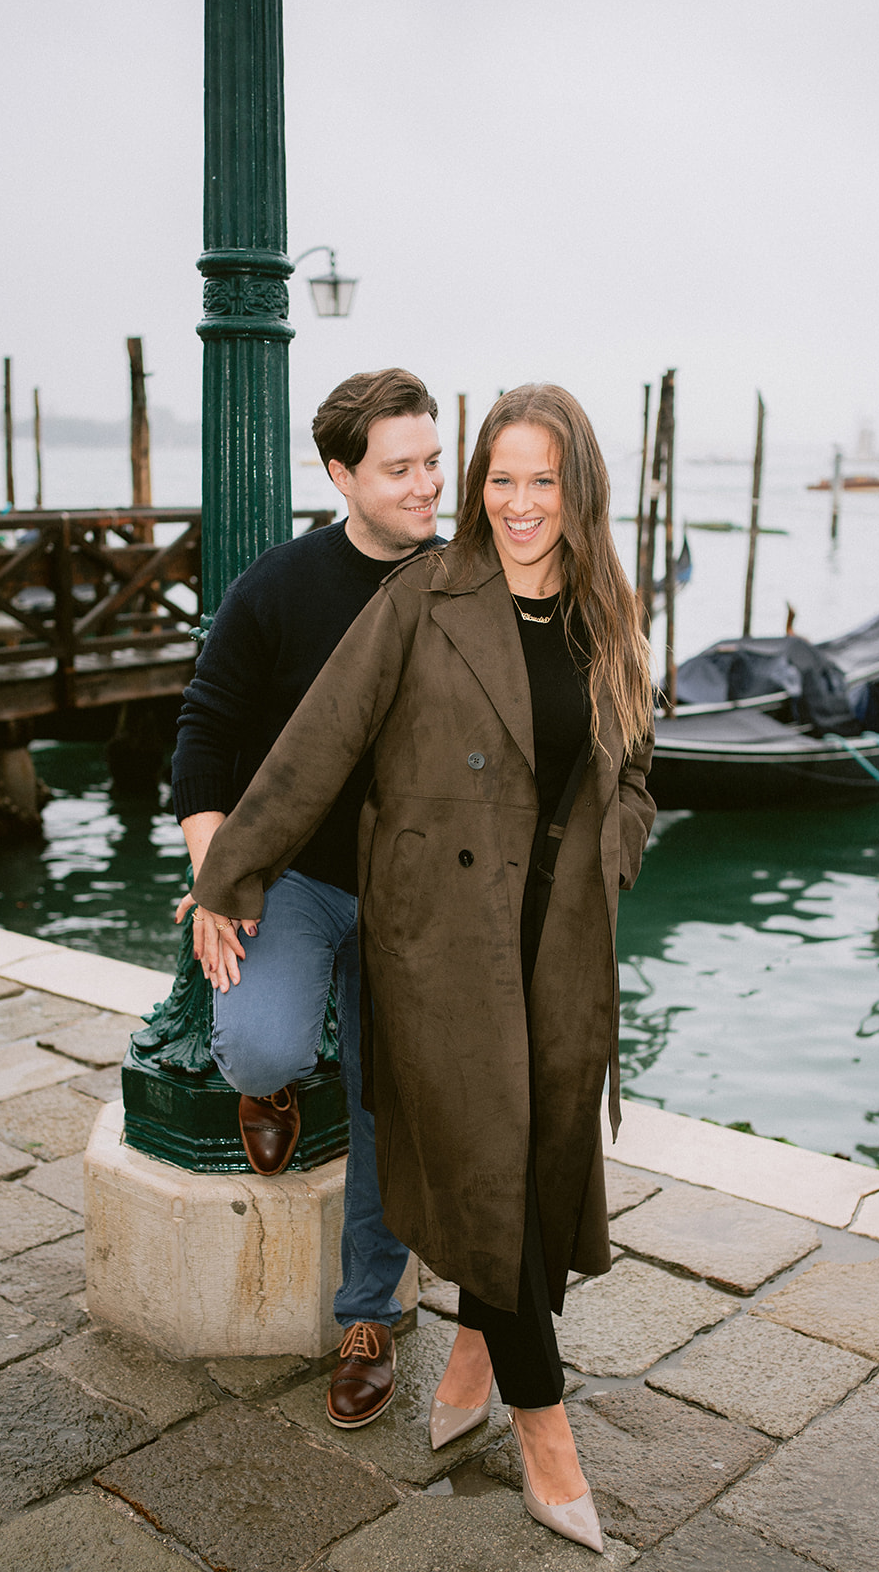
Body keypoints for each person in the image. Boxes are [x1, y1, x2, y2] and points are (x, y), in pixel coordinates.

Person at [192, 384, 656, 1554]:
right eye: (497, 479)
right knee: (491, 1167)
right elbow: (311, 747)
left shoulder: (608, 612)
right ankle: (545, 1431)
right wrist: (223, 875)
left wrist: (615, 853)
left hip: (558, 940)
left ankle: (467, 1350)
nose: (513, 503)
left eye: (538, 480)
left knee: (546, 1157)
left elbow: (639, 770)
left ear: (576, 488)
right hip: (440, 943)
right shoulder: (421, 597)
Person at [171, 367, 445, 1431]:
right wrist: (213, 878)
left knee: (390, 1101)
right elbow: (203, 726)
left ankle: (367, 1314)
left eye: (433, 460)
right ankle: (275, 1081)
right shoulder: (280, 585)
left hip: (414, 900)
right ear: (340, 474)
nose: (428, 485)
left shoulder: (458, 585)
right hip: (292, 878)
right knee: (260, 1046)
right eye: (400, 468)